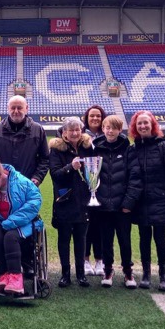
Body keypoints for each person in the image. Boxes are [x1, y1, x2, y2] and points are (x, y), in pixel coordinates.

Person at [127, 111, 165, 292]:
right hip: (141, 202)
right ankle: (145, 273)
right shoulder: (132, 149)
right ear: (135, 127)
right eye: (139, 124)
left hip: (161, 200)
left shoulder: (164, 147)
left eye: (146, 123)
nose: (143, 126)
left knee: (160, 239)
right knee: (144, 239)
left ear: (152, 125)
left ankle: (163, 275)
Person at [0, 159, 42, 296]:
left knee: (10, 237)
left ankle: (16, 279)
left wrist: (11, 222)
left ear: (0, 176)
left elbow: (35, 202)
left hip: (22, 223)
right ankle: (3, 276)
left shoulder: (22, 183)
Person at [91, 115, 142, 288]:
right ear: (103, 128)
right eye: (107, 127)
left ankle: (128, 271)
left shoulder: (129, 149)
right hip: (103, 205)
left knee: (124, 240)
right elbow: (91, 176)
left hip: (122, 206)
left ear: (120, 130)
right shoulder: (95, 148)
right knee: (106, 240)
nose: (110, 131)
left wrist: (128, 203)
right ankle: (108, 269)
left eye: (114, 128)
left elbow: (135, 178)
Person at [49, 116, 94, 288]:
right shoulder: (56, 150)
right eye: (71, 130)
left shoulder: (87, 148)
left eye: (77, 130)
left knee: (81, 239)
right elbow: (55, 175)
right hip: (65, 201)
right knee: (64, 239)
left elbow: (94, 170)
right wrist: (70, 167)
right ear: (64, 133)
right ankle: (65, 274)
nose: (74, 133)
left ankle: (81, 274)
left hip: (83, 201)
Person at [0, 96, 49, 186]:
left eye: (19, 108)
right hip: (2, 184)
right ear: (8, 108)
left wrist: (37, 177)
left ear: (26, 108)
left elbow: (45, 158)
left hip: (28, 184)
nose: (16, 111)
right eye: (13, 108)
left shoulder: (38, 130)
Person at [81, 104, 107, 276]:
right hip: (84, 188)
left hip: (104, 189)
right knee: (86, 226)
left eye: (98, 116)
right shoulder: (81, 137)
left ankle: (100, 260)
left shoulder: (109, 135)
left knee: (100, 226)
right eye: (92, 116)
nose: (95, 118)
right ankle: (85, 259)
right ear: (86, 118)